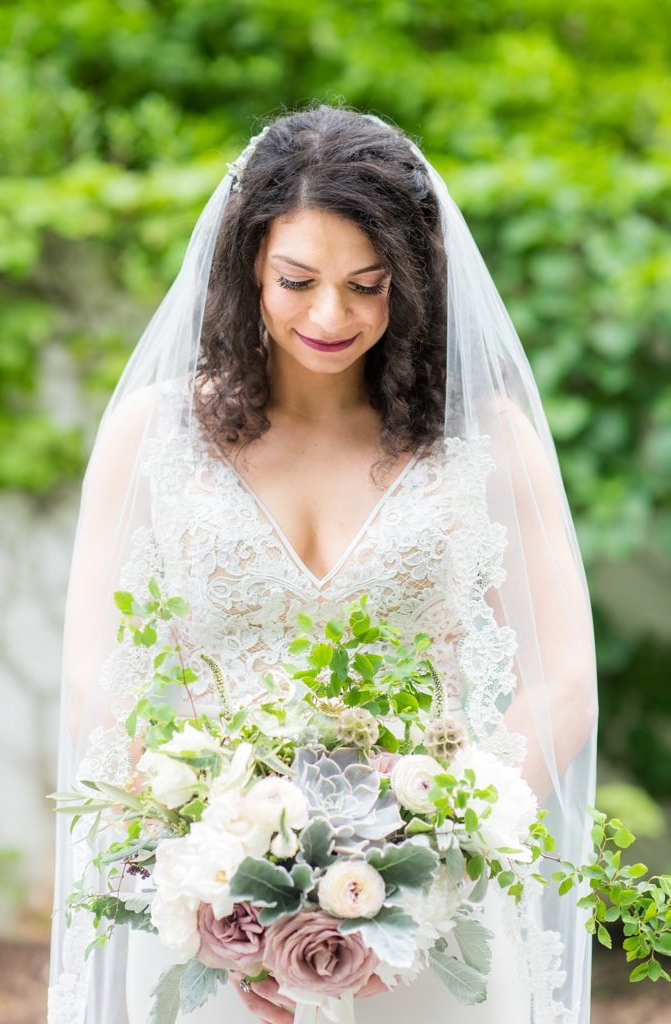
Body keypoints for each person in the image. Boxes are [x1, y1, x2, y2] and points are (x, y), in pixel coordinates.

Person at [48, 105, 598, 1024]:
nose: (330, 315)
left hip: (430, 921)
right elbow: (93, 671)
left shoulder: (487, 441)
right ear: (246, 269)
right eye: (296, 280)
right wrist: (212, 874)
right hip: (213, 920)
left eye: (367, 284)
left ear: (412, 282)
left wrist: (434, 857)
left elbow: (567, 682)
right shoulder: (156, 435)